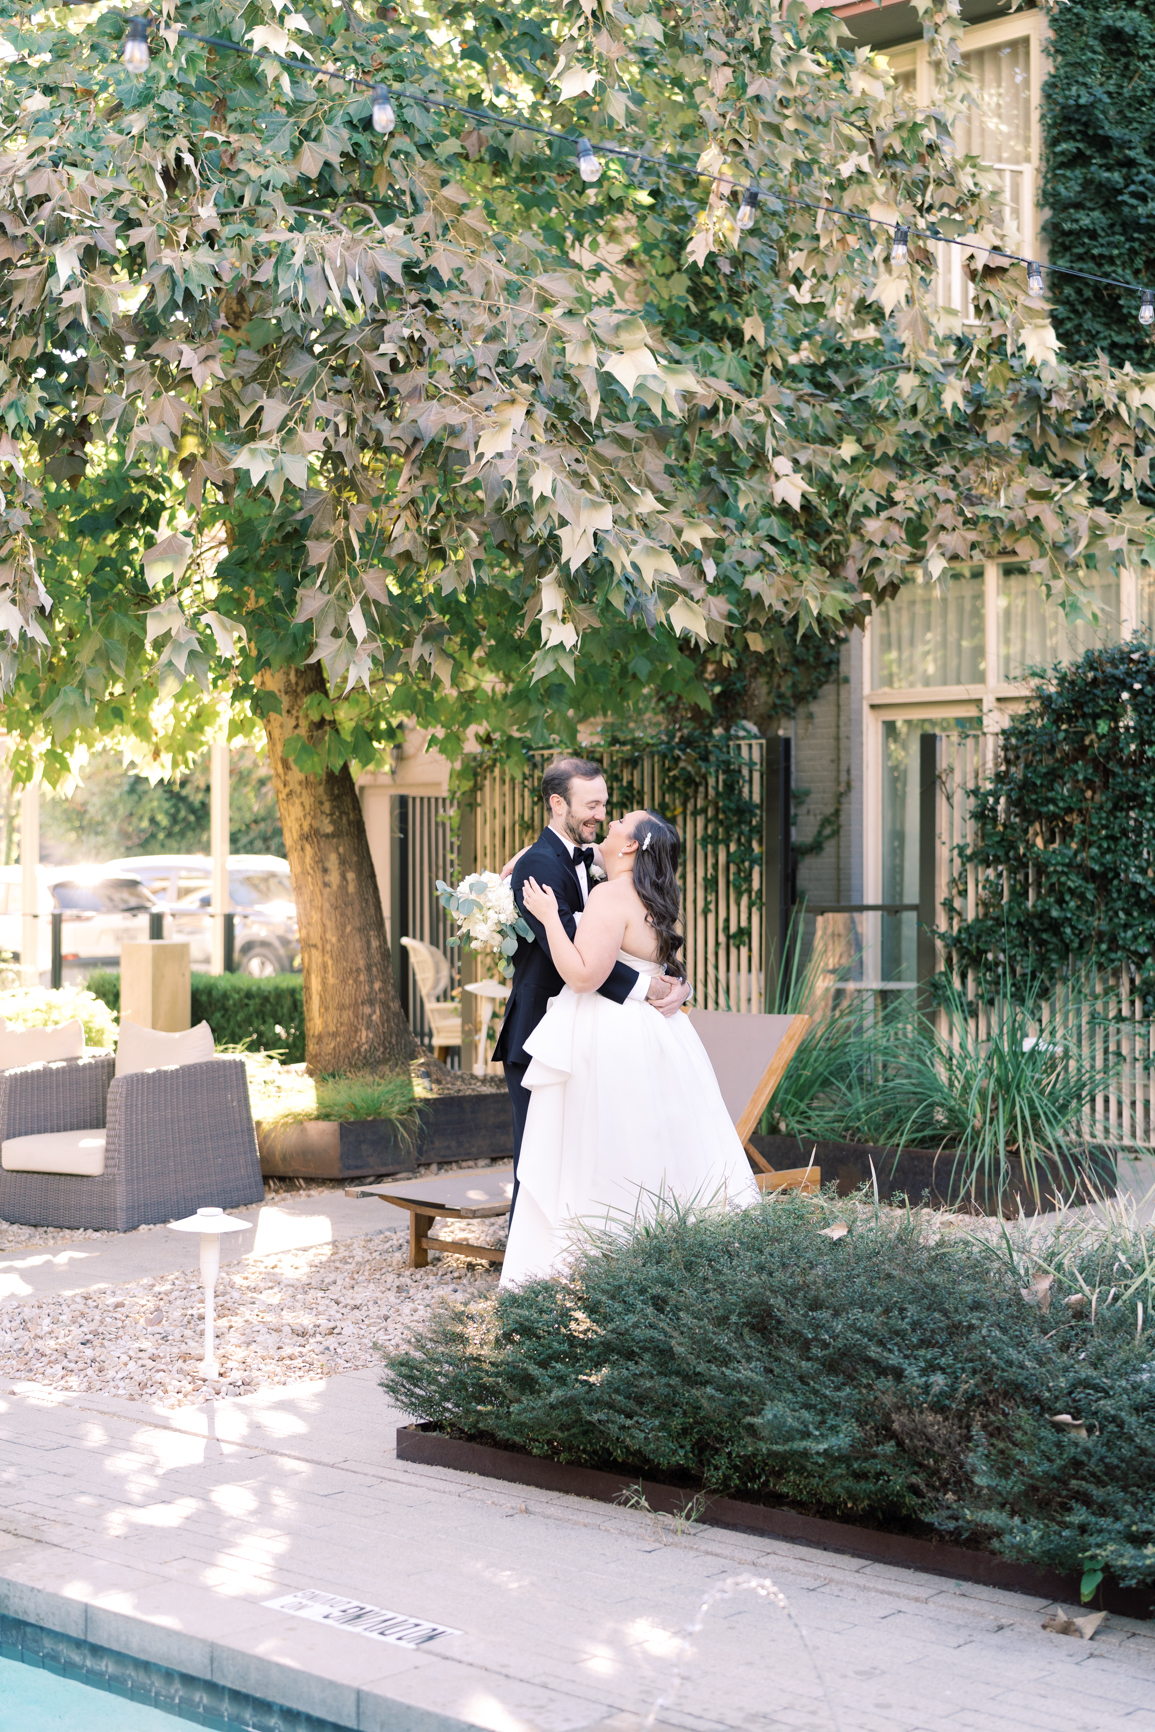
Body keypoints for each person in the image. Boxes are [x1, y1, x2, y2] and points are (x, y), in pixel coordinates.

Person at [499, 807, 759, 1288]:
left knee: (599, 1150)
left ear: (631, 846)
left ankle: (594, 1263)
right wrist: (526, 859)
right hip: (660, 1036)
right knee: (656, 1146)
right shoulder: (654, 895)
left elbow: (581, 976)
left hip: (608, 1036)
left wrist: (547, 918)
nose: (610, 822)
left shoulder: (609, 895)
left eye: (619, 821)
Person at [492, 758, 691, 1208]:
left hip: (591, 1036)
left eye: (605, 805)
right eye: (592, 805)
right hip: (542, 1036)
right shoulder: (540, 867)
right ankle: (529, 1272)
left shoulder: (603, 857)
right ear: (558, 803)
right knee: (539, 1161)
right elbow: (581, 964)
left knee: (591, 1160)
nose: (601, 816)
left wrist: (677, 982)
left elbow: (640, 938)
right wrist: (649, 988)